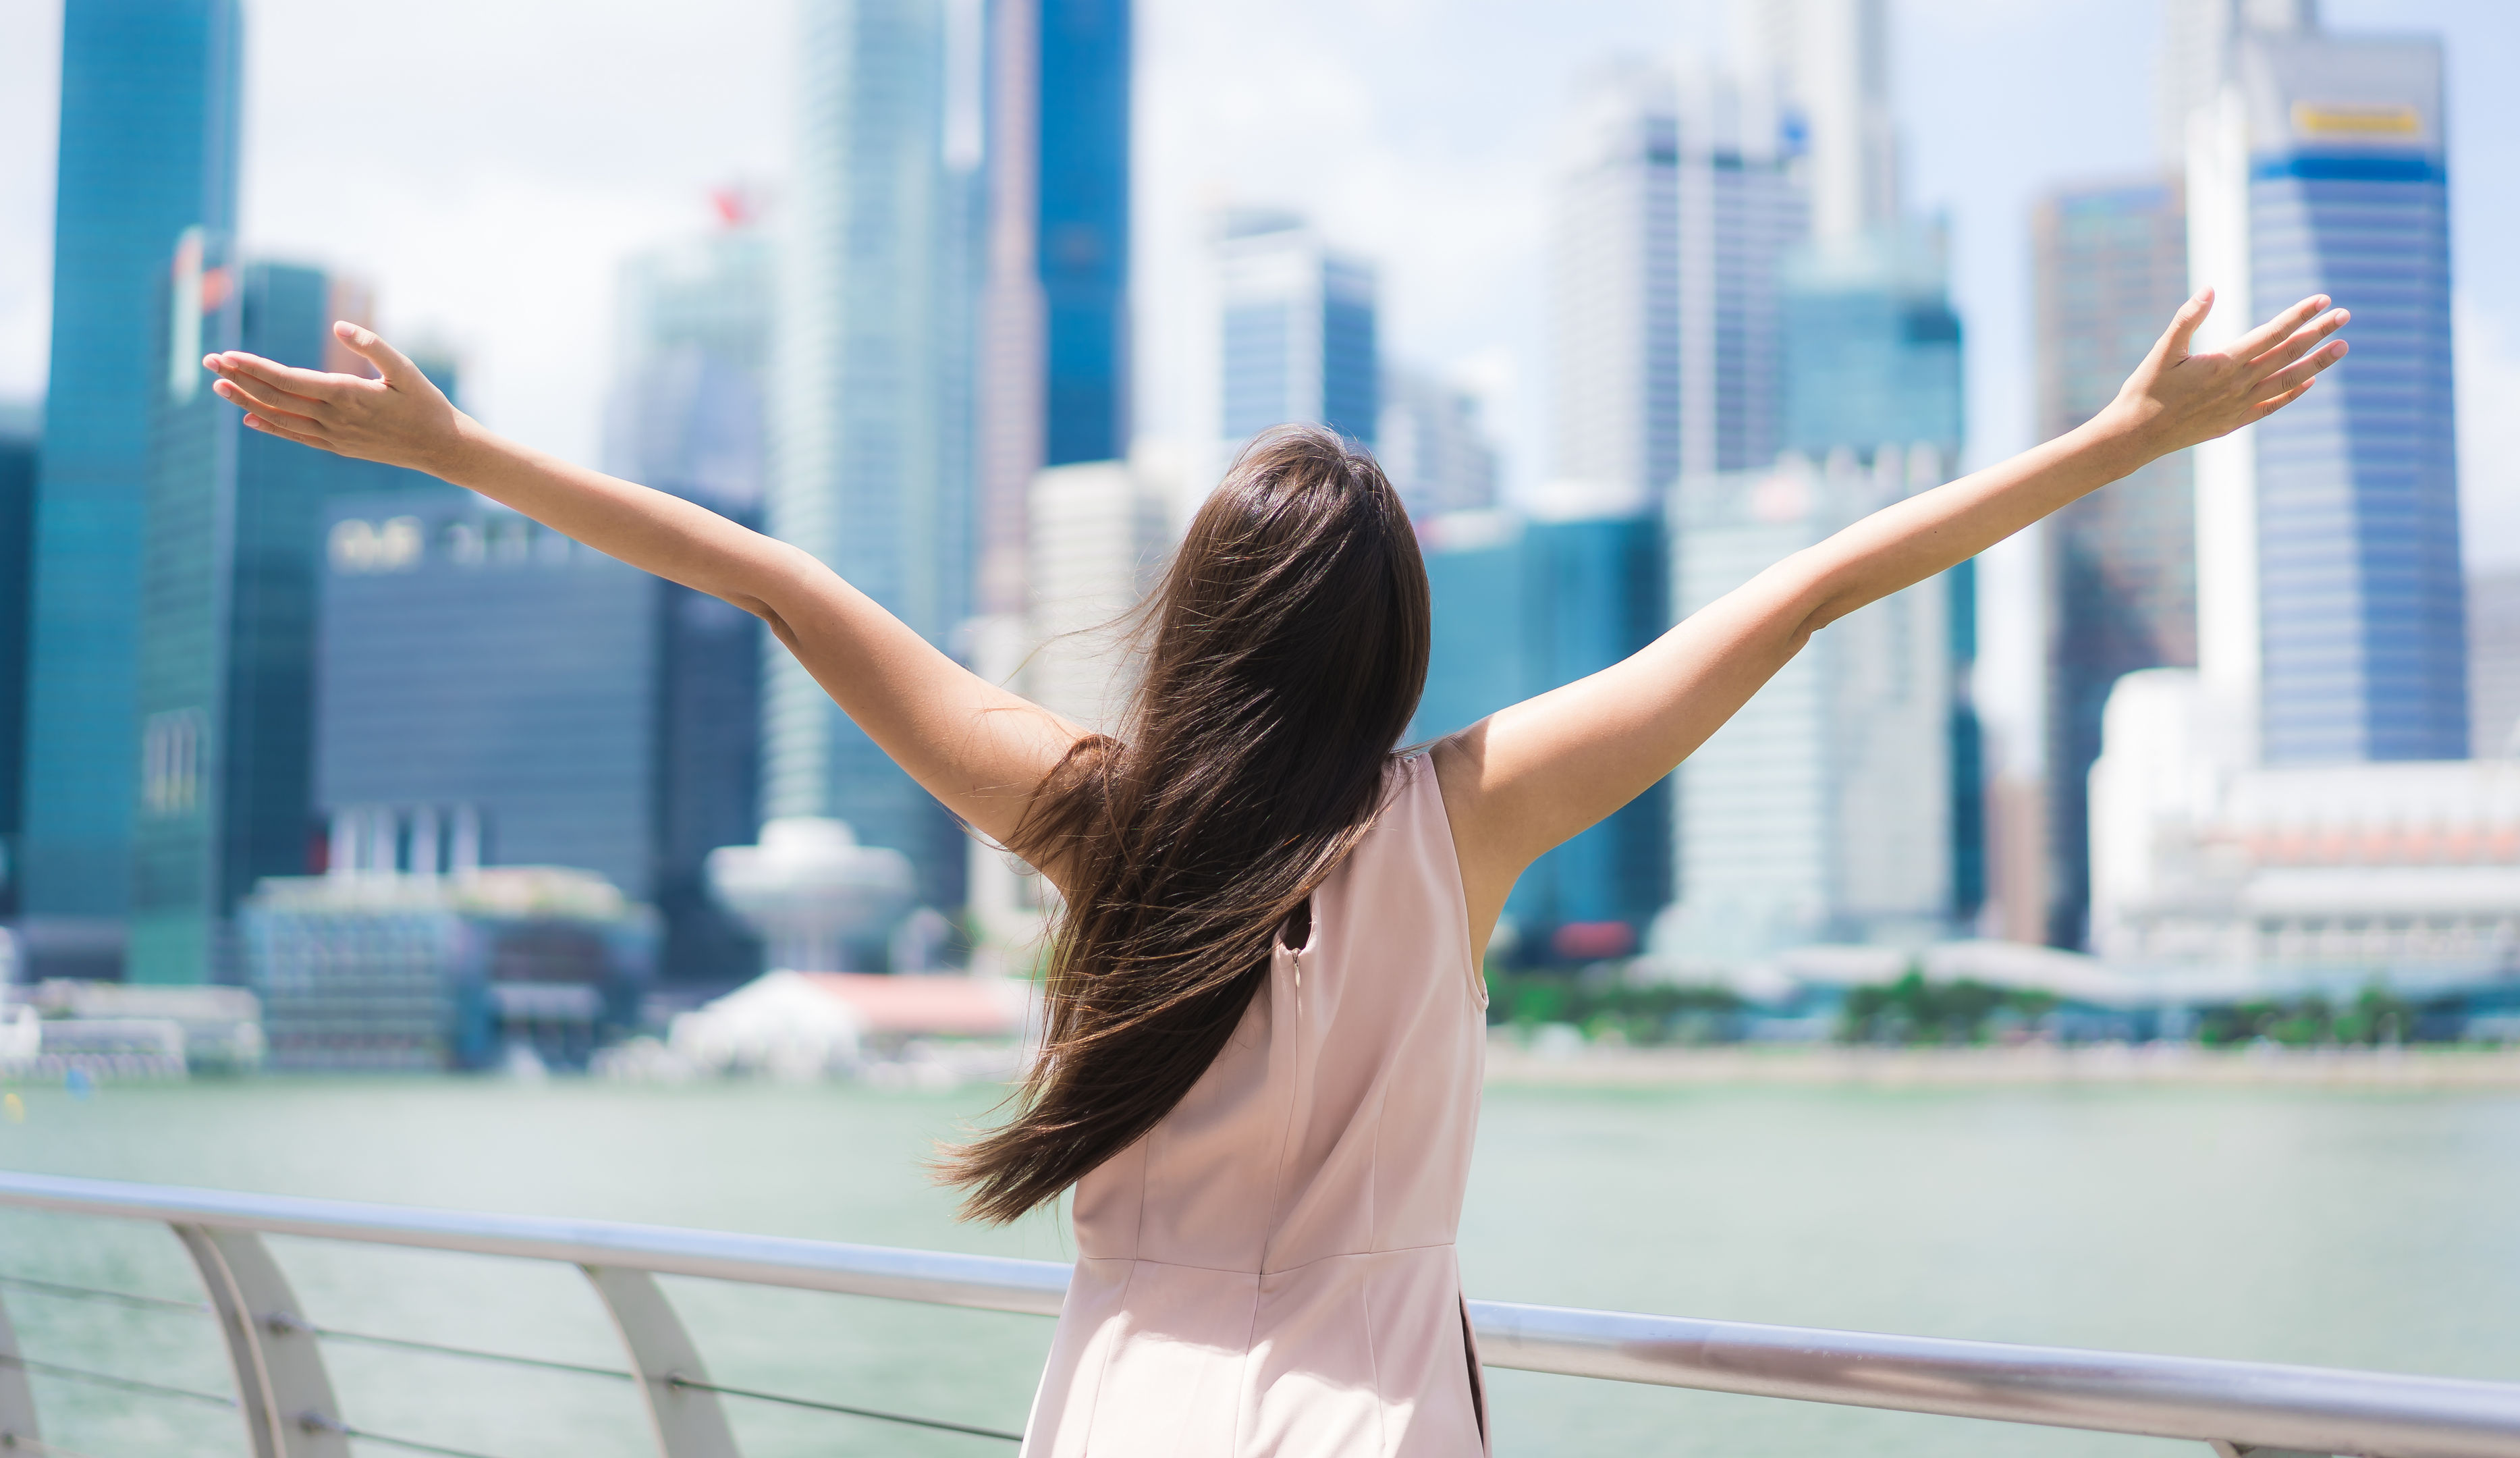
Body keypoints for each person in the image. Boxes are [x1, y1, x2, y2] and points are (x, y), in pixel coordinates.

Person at [204, 287, 2345, 1455]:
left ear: (1197, 616)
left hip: (1121, 1409)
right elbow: (1788, 600)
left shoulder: (1085, 808)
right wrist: (2127, 443)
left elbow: (780, 584)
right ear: (1395, 641)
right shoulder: (1463, 816)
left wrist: (458, 451)